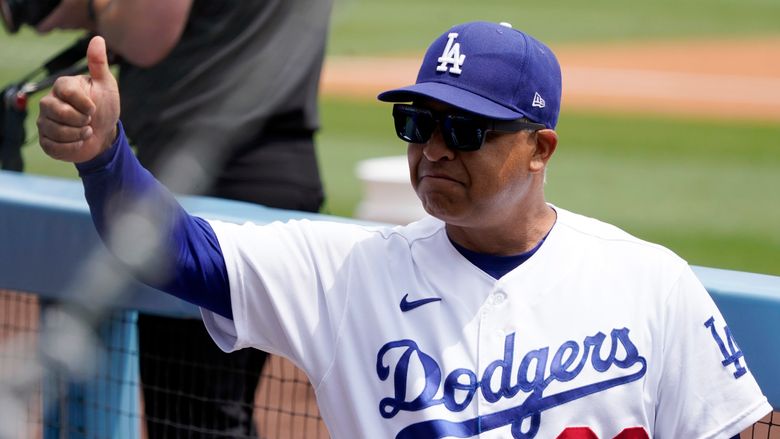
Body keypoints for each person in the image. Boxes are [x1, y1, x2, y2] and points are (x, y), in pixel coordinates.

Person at [37, 21, 771, 439]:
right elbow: (177, 253)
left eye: (465, 128)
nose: (433, 148)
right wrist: (106, 156)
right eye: (416, 122)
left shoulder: (648, 281)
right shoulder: (347, 271)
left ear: (540, 148)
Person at [35, 0, 333, 437]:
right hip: (285, 172)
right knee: (217, 413)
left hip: (202, 181)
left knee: (193, 420)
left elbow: (148, 32)